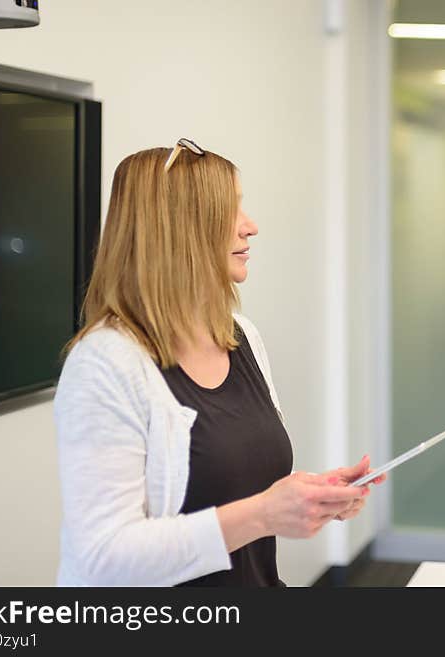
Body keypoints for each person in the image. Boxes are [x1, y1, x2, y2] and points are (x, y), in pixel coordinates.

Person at [53, 138, 384, 586]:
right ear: (179, 228)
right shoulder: (104, 364)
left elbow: (242, 490)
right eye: (232, 211)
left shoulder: (241, 336)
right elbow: (103, 558)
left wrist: (308, 499)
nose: (250, 227)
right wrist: (265, 512)